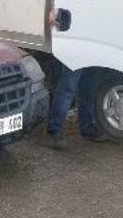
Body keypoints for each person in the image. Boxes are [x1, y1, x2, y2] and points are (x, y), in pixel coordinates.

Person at [44, 9, 105, 150]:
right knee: (67, 88)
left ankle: (87, 128)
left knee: (89, 87)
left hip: (96, 41)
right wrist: (53, 11)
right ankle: (54, 131)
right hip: (76, 39)